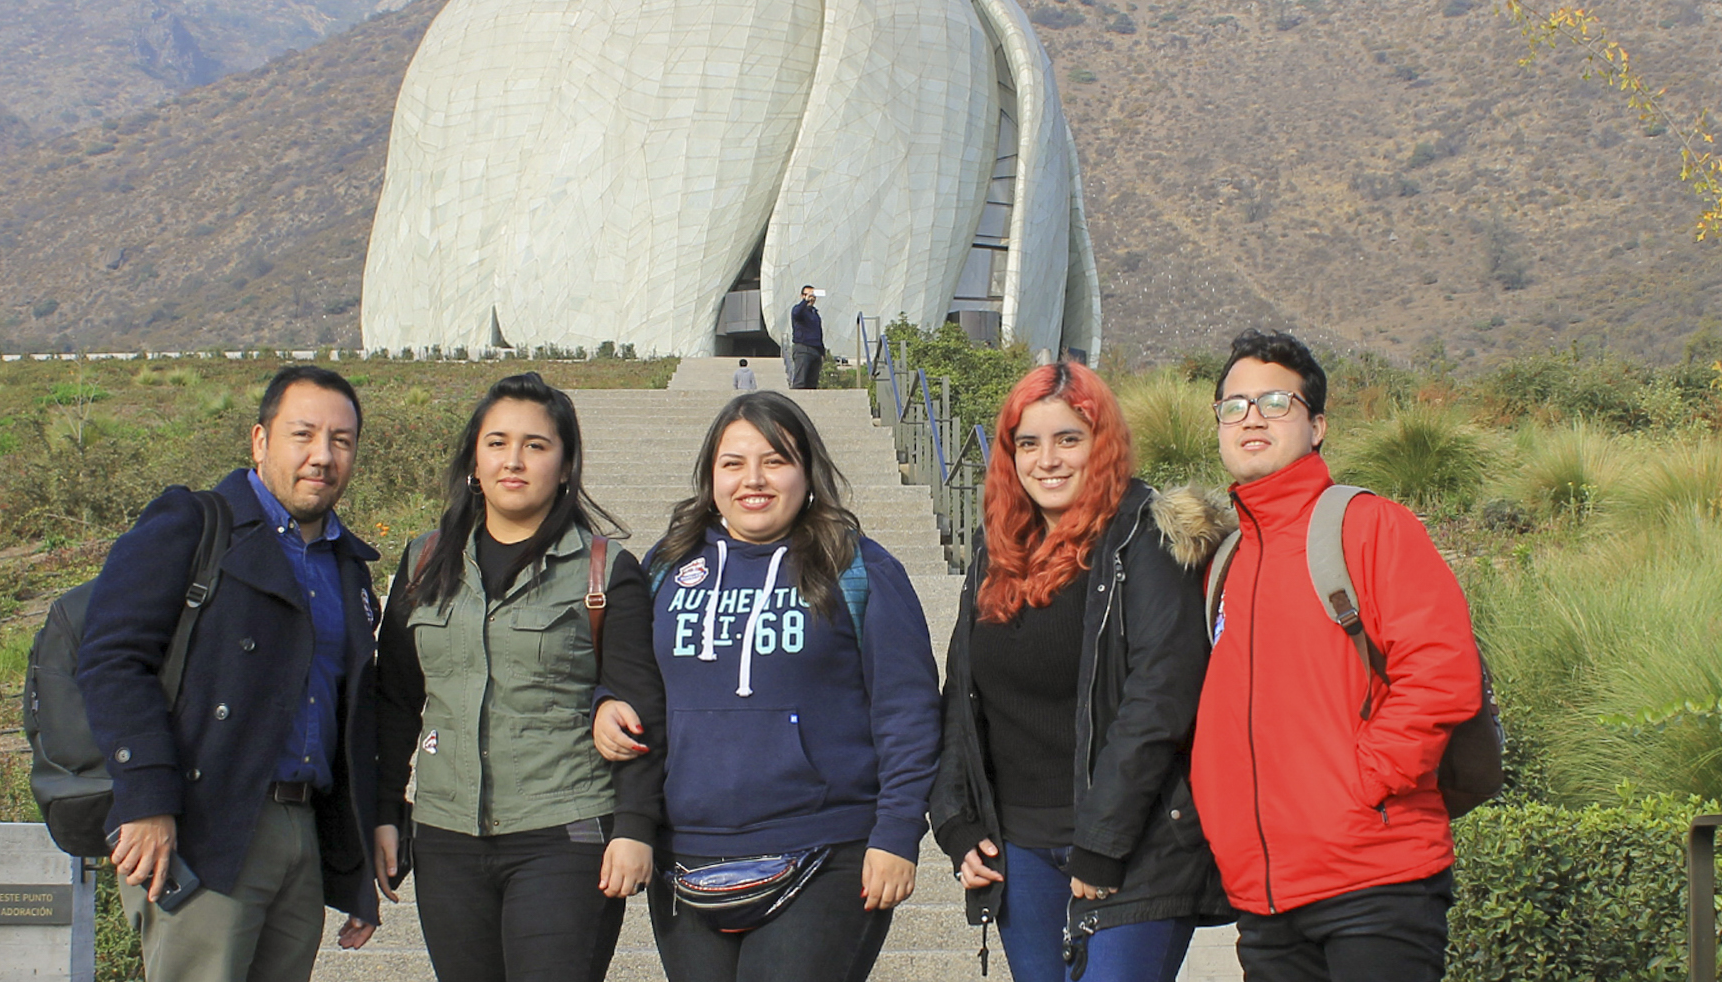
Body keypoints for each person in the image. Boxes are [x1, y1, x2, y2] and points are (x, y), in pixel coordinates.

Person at [594, 391, 940, 982]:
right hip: (687, 853)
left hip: (826, 849)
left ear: (807, 472)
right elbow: (634, 682)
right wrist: (605, 705)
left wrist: (899, 832)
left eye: (775, 460)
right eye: (733, 464)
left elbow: (907, 710)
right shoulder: (667, 567)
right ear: (710, 476)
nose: (753, 479)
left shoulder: (858, 567)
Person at [1191, 330, 1484, 982]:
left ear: (1317, 424)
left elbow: (1442, 672)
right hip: (1266, 899)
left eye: (1274, 400)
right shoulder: (1227, 560)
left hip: (1374, 883)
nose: (1252, 417)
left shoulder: (1370, 526)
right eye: (1234, 405)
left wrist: (1362, 784)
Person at [77, 365, 382, 982]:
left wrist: (355, 855)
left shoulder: (347, 567)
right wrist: (148, 799)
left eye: (341, 441)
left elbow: (349, 711)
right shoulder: (194, 525)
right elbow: (112, 658)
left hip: (302, 828)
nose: (322, 456)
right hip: (206, 825)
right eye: (303, 435)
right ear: (260, 441)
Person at [930, 361, 1231, 982]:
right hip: (1019, 851)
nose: (1048, 460)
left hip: (1138, 848)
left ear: (1103, 445)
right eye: (1028, 443)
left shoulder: (1145, 538)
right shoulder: (998, 549)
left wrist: (1102, 843)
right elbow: (961, 697)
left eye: (1069, 438)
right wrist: (958, 824)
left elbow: (1160, 700)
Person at [373, 372, 662, 982]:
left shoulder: (605, 572)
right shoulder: (424, 562)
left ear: (564, 465)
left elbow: (640, 709)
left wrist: (635, 828)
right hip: (446, 834)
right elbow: (396, 700)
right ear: (474, 461)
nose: (514, 460)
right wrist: (382, 812)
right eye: (497, 442)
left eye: (536, 445)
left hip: (565, 830)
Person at [788, 287, 824, 389]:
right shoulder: (799, 310)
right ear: (802, 296)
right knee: (800, 381)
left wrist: (822, 352)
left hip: (815, 350)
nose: (811, 298)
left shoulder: (814, 313)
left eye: (813, 296)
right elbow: (796, 313)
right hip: (803, 348)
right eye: (808, 295)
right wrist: (805, 301)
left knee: (812, 383)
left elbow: (819, 333)